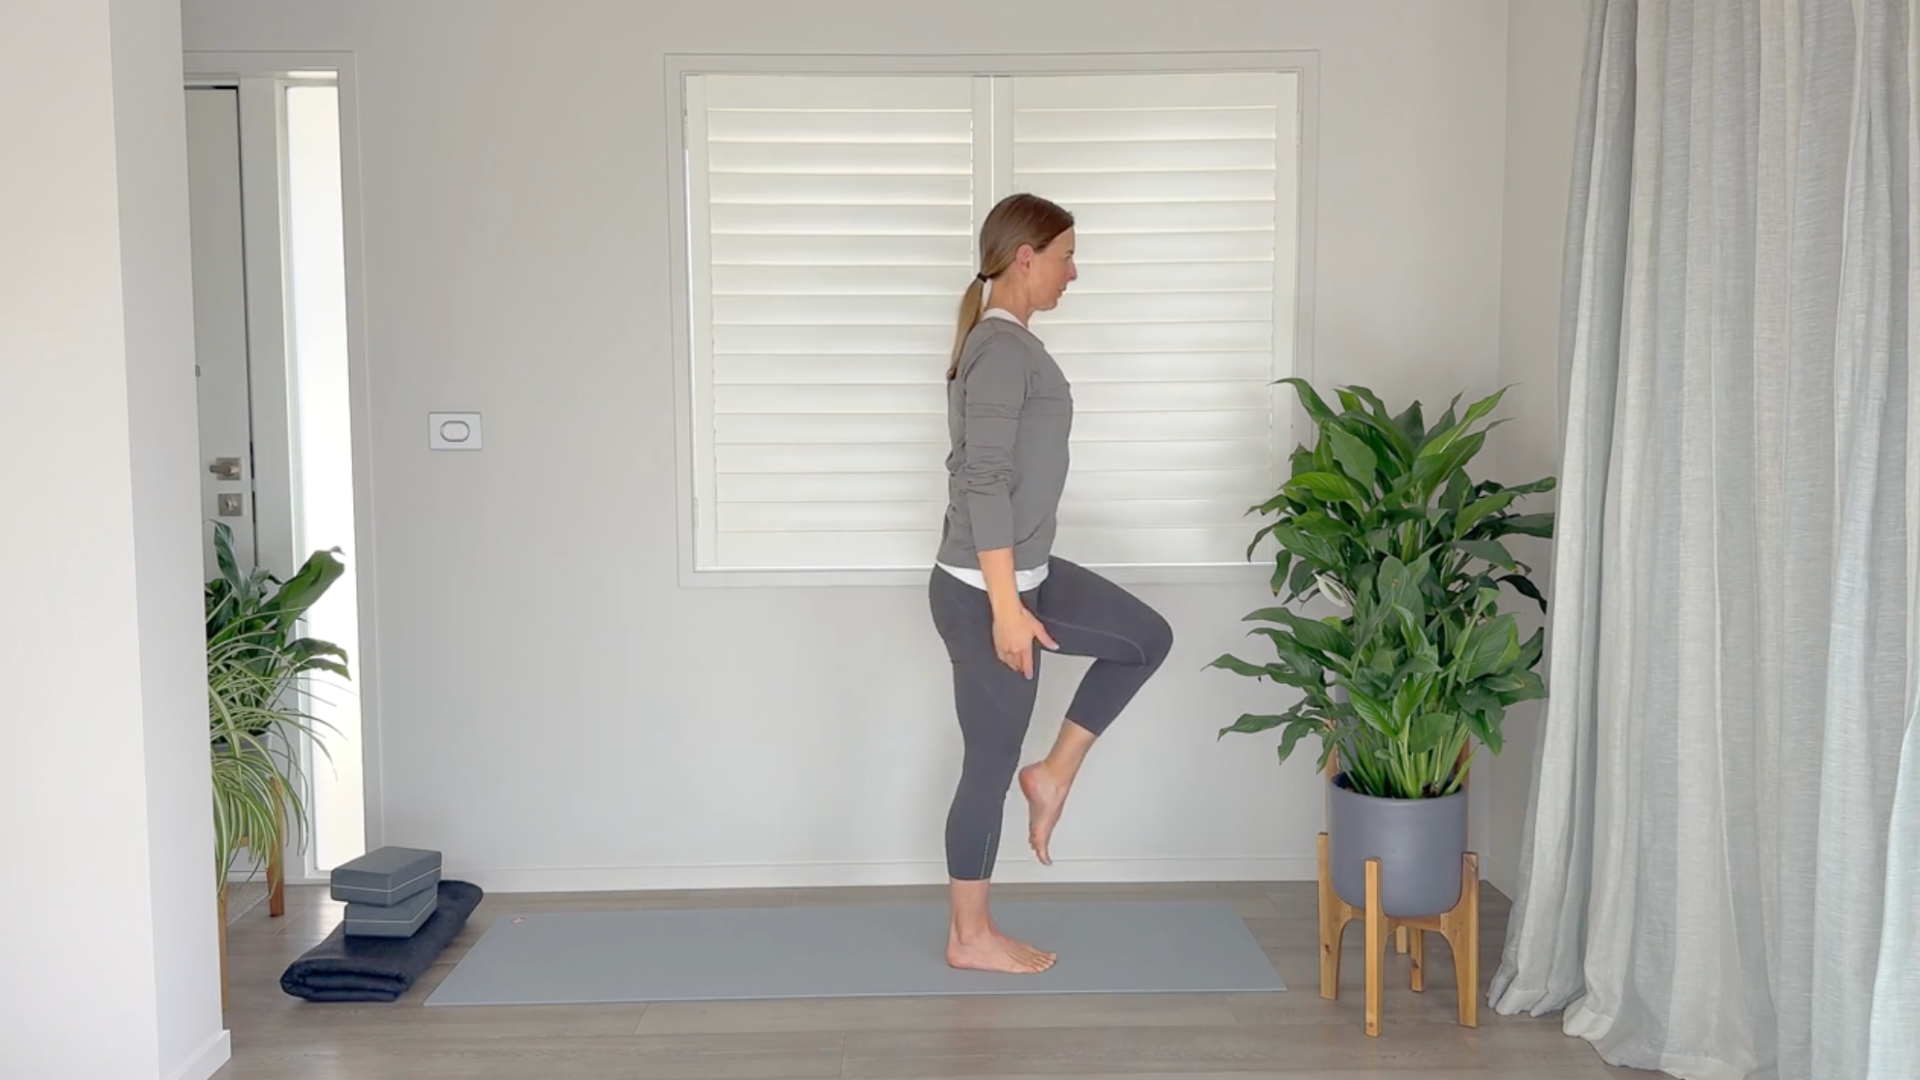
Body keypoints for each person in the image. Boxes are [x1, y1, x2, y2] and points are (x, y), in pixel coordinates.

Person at [928, 193, 1175, 975]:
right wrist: (1006, 608)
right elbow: (983, 480)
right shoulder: (1001, 350)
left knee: (1145, 638)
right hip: (982, 589)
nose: (1076, 270)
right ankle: (970, 936)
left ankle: (1055, 771)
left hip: (1022, 577)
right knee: (988, 764)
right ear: (1026, 257)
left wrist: (1019, 592)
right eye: (1067, 255)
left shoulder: (1008, 345)